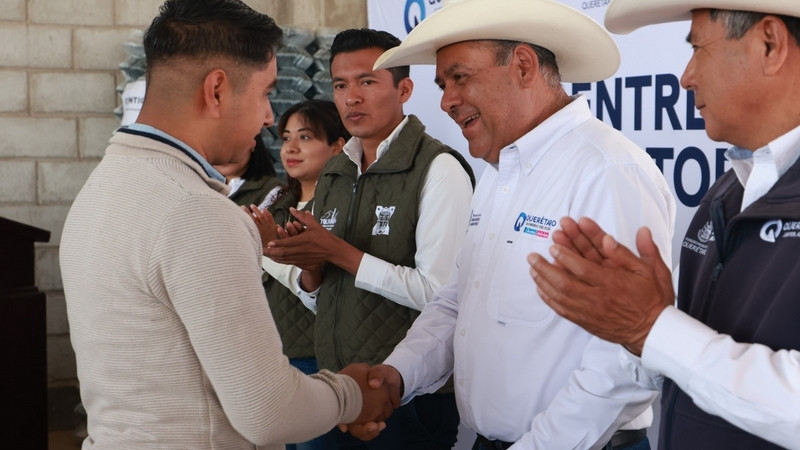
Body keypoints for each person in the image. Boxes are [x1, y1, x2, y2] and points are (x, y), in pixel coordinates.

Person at [59, 1, 396, 448]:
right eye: (264, 93)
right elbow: (269, 411)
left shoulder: (100, 188)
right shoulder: (195, 211)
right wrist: (351, 395)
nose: (268, 117)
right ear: (216, 90)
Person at [359, 0, 677, 448]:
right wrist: (397, 374)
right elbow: (458, 301)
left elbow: (625, 357)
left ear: (524, 65)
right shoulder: (498, 172)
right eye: (443, 85)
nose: (447, 101)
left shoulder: (608, 170)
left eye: (460, 77)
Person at [526, 1, 800, 449]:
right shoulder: (728, 191)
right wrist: (636, 332)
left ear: (769, 45)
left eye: (697, 49)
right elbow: (679, 364)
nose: (686, 77)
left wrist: (651, 328)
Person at [262, 28, 476, 449]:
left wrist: (341, 253)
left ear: (404, 89)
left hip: (410, 396)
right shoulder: (336, 171)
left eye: (367, 82)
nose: (351, 98)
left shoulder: (438, 168)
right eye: (340, 85)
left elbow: (442, 297)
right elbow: (323, 298)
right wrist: (308, 268)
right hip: (335, 389)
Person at [248, 99, 350, 450]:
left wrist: (267, 248)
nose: (290, 148)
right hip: (271, 355)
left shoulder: (342, 205)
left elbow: (324, 283)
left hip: (316, 358)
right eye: (287, 137)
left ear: (337, 146)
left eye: (305, 137)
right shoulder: (276, 200)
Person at [216, 132, 283, 210]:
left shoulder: (274, 192)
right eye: (216, 146)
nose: (223, 154)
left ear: (253, 144)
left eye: (231, 144)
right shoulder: (208, 186)